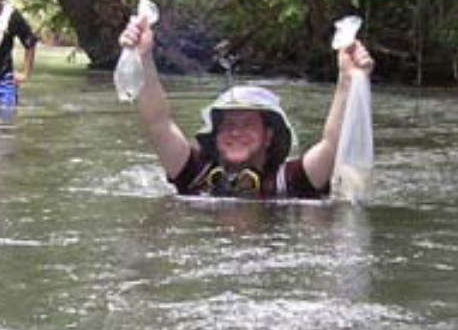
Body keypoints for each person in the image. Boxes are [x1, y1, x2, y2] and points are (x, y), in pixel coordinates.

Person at [119, 16, 372, 200]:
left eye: (248, 124)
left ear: (268, 136)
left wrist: (347, 79)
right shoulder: (195, 172)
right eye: (228, 125)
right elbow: (158, 123)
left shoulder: (292, 180)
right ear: (215, 136)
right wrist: (143, 57)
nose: (236, 133)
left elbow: (333, 144)